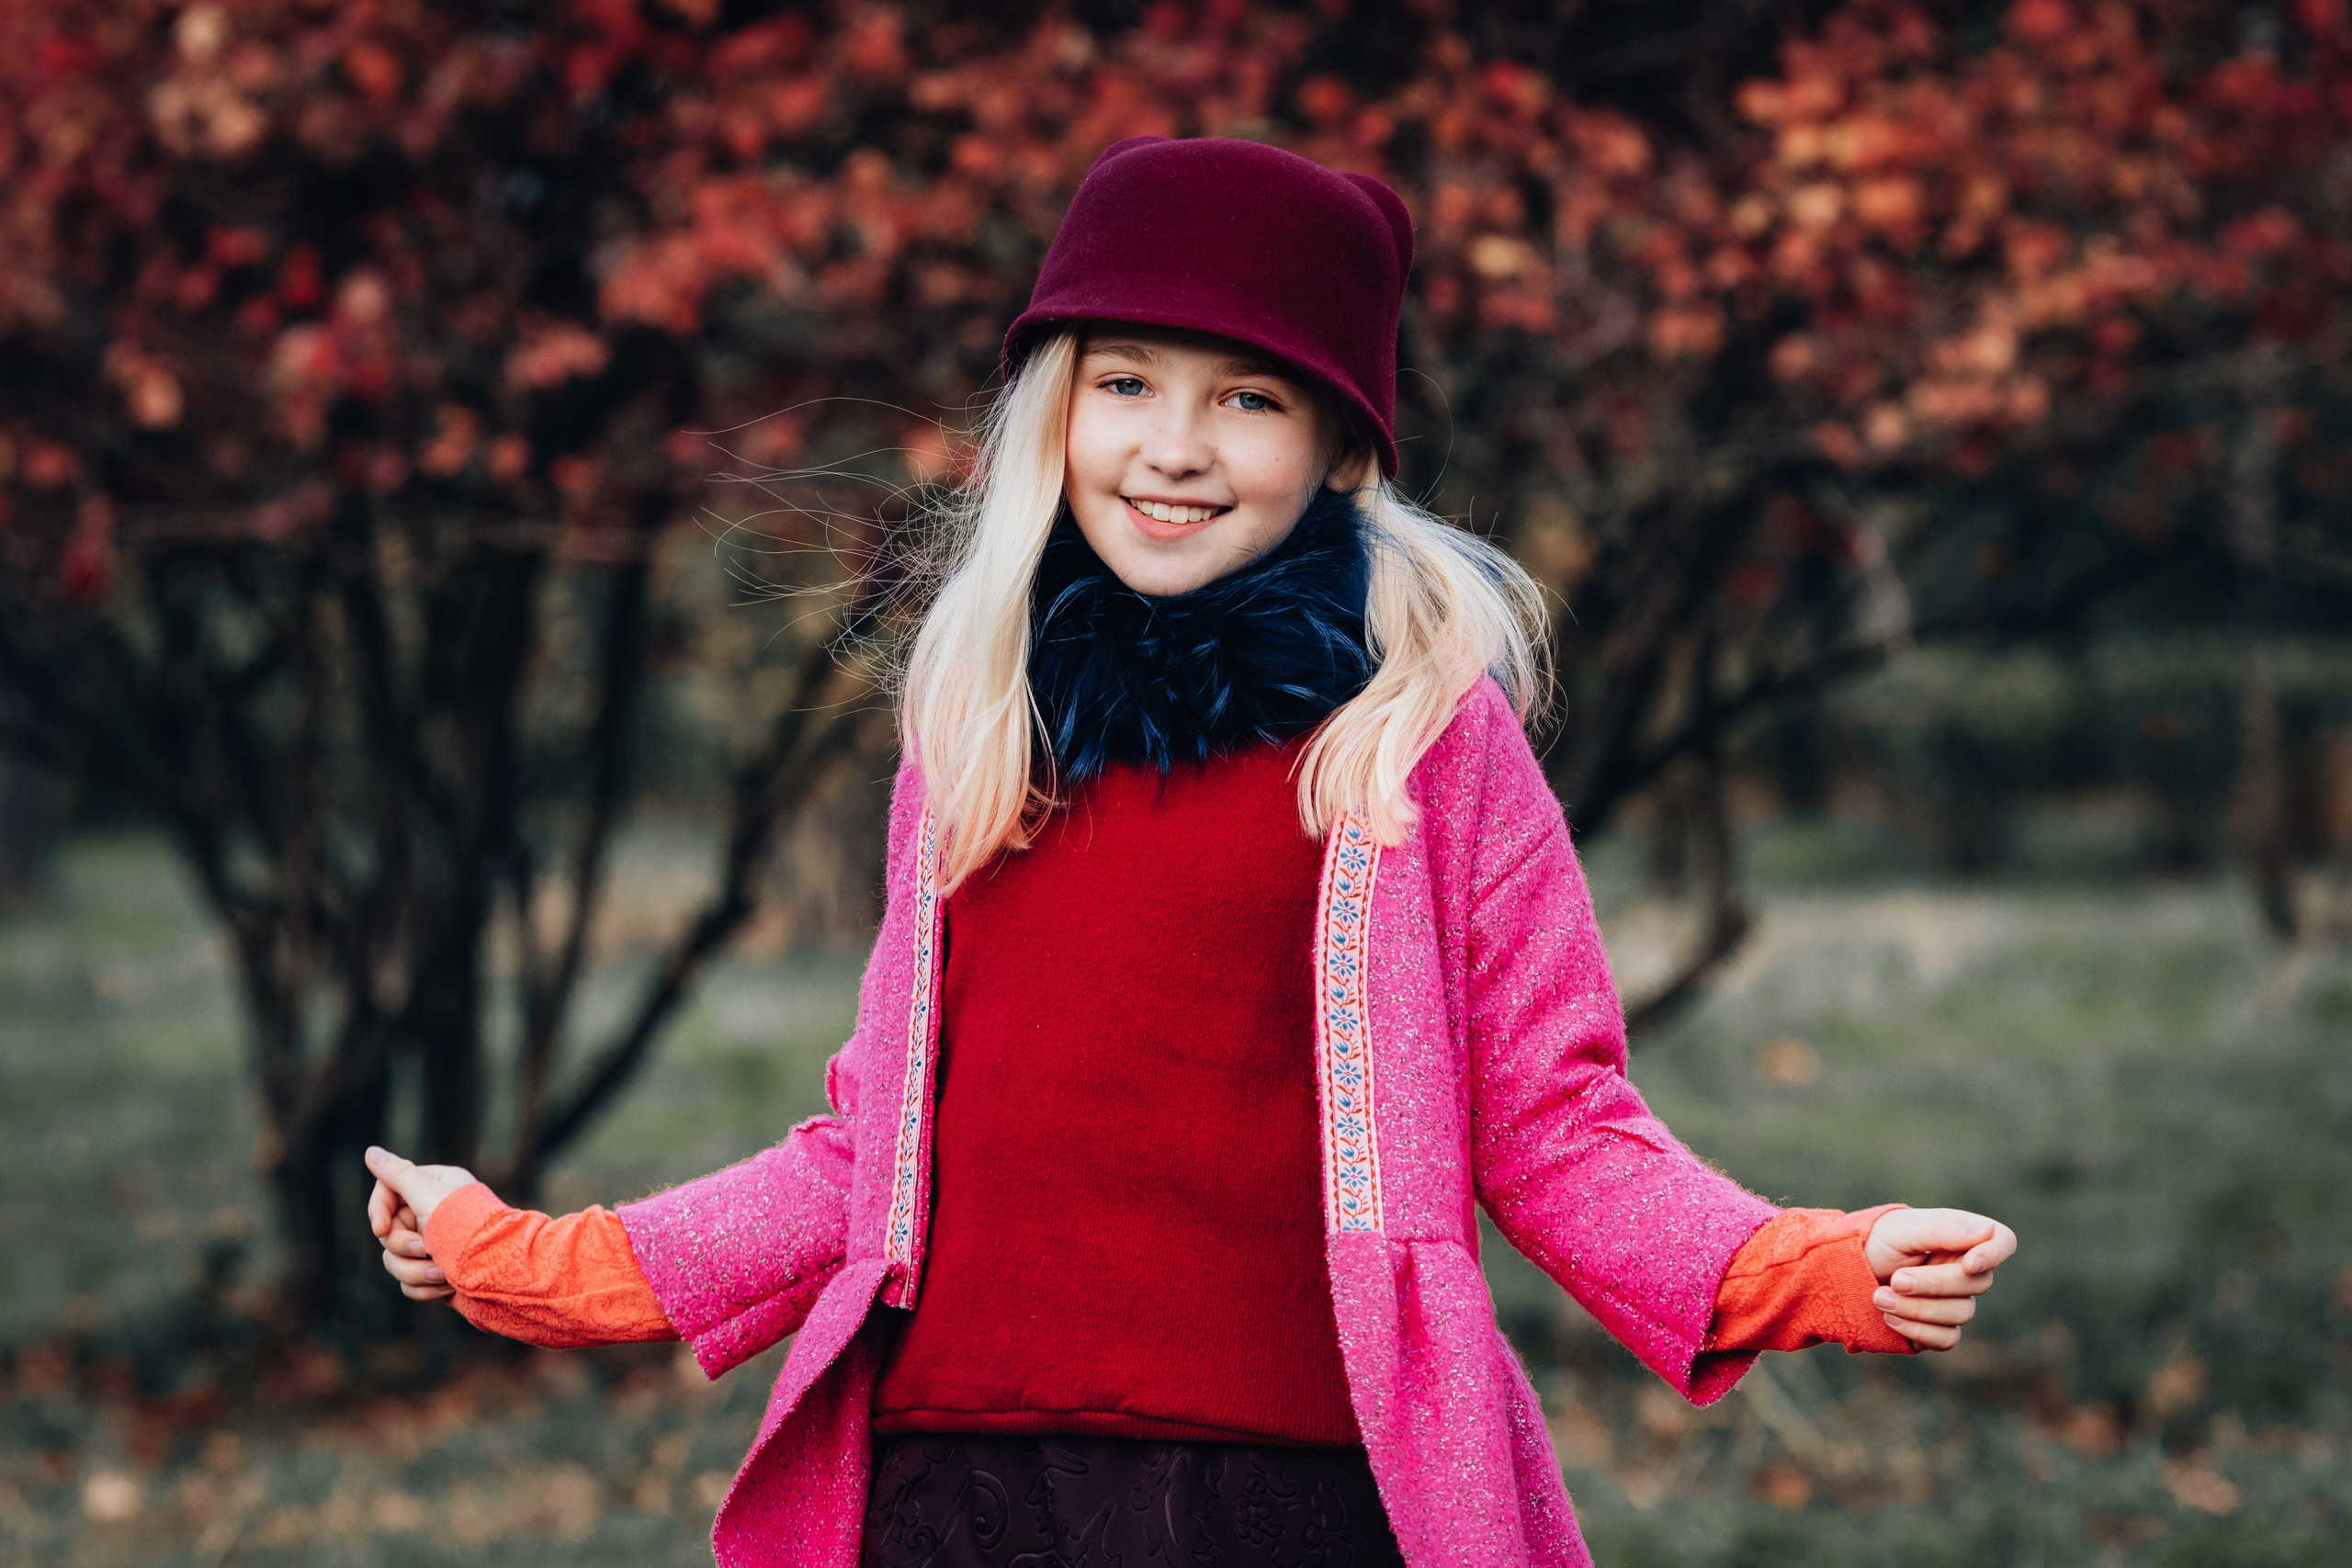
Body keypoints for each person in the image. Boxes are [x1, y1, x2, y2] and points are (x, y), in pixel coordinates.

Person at [363, 136, 2018, 1568]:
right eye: (1126, 384)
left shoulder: (1417, 747)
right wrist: (541, 1266)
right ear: (1053, 414)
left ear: (1341, 450)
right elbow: (860, 1161)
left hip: (1288, 1494)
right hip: (960, 1487)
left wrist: (1804, 1265)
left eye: (1248, 399)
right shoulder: (978, 741)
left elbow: (1556, 1129)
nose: (1174, 446)